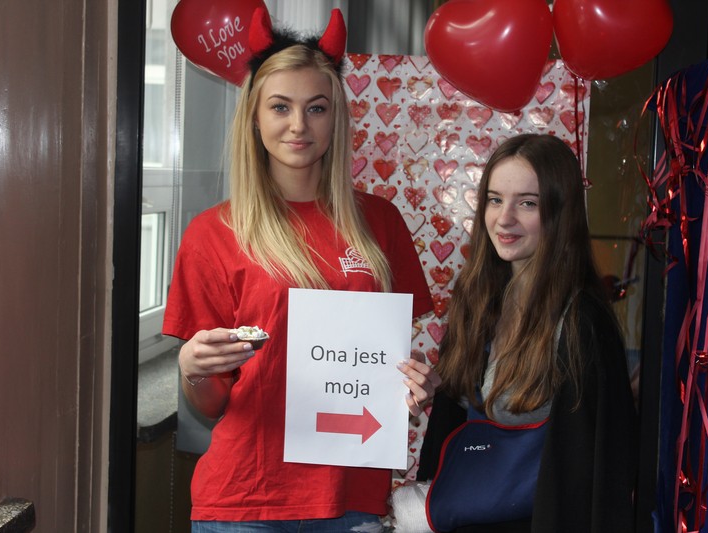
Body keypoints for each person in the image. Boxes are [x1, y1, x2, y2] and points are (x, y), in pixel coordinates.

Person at [162, 8, 440, 532]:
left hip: (350, 498)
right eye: (280, 107)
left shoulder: (380, 223)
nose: (298, 125)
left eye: (316, 108)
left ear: (336, 118)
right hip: (245, 502)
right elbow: (212, 403)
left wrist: (413, 386)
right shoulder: (212, 234)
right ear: (254, 116)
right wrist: (195, 369)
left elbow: (379, 363)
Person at [416, 134, 638, 532]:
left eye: (528, 203)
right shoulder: (477, 300)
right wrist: (439, 387)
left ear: (561, 212)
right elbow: (458, 423)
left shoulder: (582, 322)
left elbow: (600, 477)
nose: (505, 218)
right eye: (495, 199)